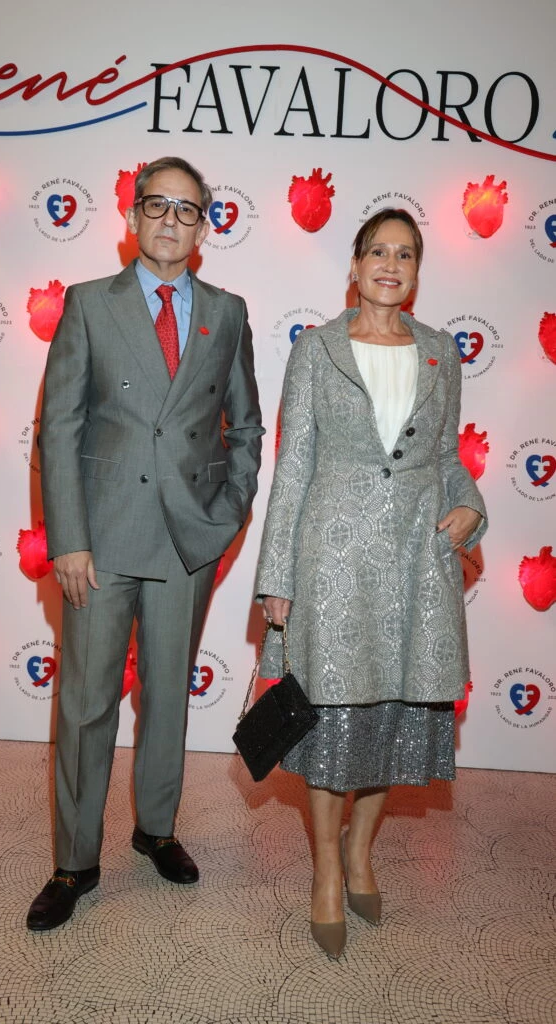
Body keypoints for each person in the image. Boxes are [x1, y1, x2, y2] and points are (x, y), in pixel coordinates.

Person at [27, 156, 263, 931]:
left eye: (188, 210)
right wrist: (68, 538)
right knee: (88, 702)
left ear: (203, 228)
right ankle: (73, 861)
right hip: (100, 540)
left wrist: (227, 512)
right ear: (131, 219)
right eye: (157, 206)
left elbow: (247, 425)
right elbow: (58, 429)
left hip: (187, 538)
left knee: (167, 697)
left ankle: (156, 829)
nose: (171, 219)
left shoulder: (225, 313)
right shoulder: (90, 304)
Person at [255, 208, 487, 959]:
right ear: (353, 267)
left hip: (416, 560)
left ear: (417, 273)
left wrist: (469, 507)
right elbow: (291, 467)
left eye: (406, 254)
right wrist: (276, 578)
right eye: (377, 252)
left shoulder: (439, 352)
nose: (391, 264)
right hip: (333, 559)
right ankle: (326, 870)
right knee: (329, 724)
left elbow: (448, 456)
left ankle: (360, 852)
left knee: (393, 719)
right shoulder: (317, 350)